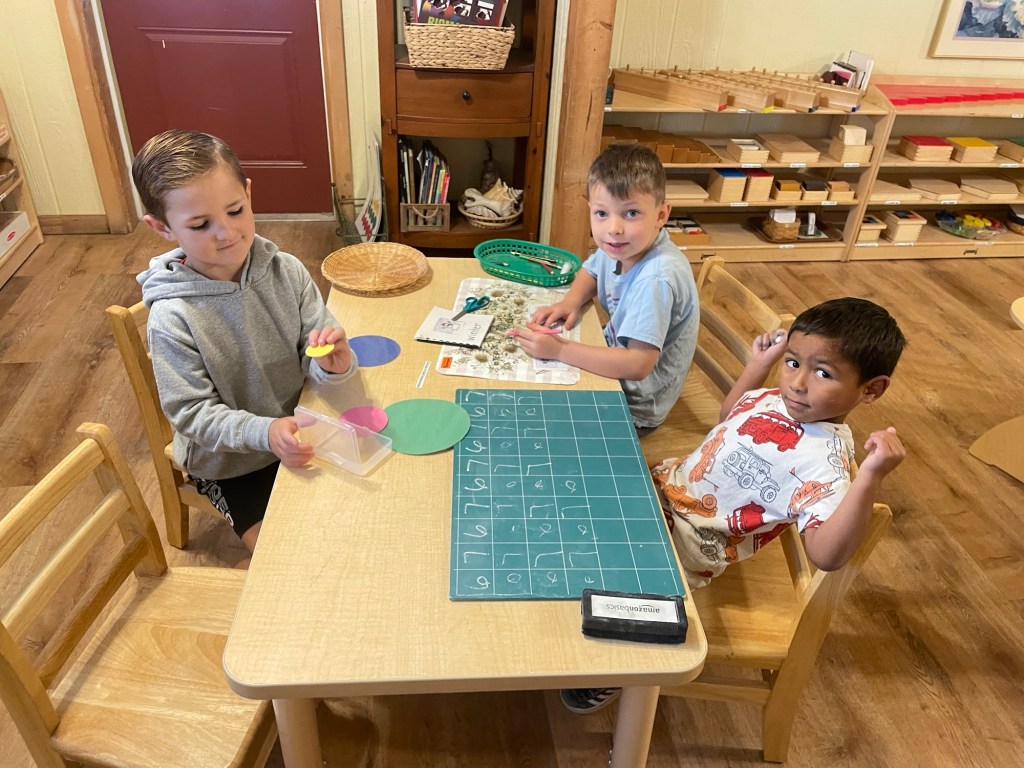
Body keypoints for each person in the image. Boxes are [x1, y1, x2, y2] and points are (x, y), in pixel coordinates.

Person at [561, 297, 907, 715]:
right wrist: (757, 366)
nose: (797, 383)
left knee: (621, 590)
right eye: (793, 362)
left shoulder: (825, 464)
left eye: (823, 373)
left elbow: (826, 555)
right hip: (662, 487)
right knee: (578, 492)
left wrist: (870, 477)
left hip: (689, 544)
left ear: (871, 389)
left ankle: (619, 669)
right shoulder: (774, 399)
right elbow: (729, 416)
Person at [134, 129, 358, 567]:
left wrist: (331, 364)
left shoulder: (285, 270)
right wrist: (265, 433)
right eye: (200, 225)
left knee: (350, 527)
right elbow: (191, 414)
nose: (227, 232)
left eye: (235, 210)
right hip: (231, 464)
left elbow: (316, 341)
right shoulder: (172, 317)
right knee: (285, 562)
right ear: (161, 227)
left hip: (300, 427)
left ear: (248, 195)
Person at [508, 144, 699, 434]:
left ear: (661, 214)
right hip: (611, 359)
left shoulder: (656, 279)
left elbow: (637, 365)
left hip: (634, 406)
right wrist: (570, 302)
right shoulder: (623, 246)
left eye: (631, 213)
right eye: (601, 213)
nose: (614, 228)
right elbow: (592, 270)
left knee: (534, 421)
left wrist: (559, 350)